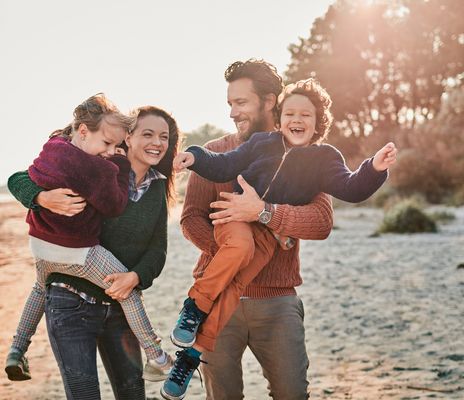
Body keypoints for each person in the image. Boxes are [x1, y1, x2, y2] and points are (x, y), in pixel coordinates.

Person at [161, 77, 397, 398]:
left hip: (273, 283)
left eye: (241, 103)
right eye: (291, 114)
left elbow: (343, 197)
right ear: (280, 115)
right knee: (240, 251)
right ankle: (195, 307)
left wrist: (374, 168)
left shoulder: (323, 160)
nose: (233, 111)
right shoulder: (260, 144)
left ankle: (190, 354)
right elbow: (218, 172)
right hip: (233, 229)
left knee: (238, 286)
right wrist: (196, 157)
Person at [161, 59, 333, 400]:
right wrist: (236, 251)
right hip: (215, 299)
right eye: (229, 104)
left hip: (277, 301)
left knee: (293, 394)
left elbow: (321, 221)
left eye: (241, 103)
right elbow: (191, 218)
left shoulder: (305, 156)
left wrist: (265, 214)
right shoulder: (214, 152)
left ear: (269, 102)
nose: (232, 112)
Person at [6, 103, 180, 399]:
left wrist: (135, 277)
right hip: (70, 304)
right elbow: (18, 179)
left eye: (164, 137)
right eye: (148, 134)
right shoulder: (97, 167)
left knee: (132, 394)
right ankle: (18, 349)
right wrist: (42, 197)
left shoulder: (156, 190)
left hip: (119, 308)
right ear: (128, 137)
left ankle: (18, 347)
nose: (157, 143)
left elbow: (157, 250)